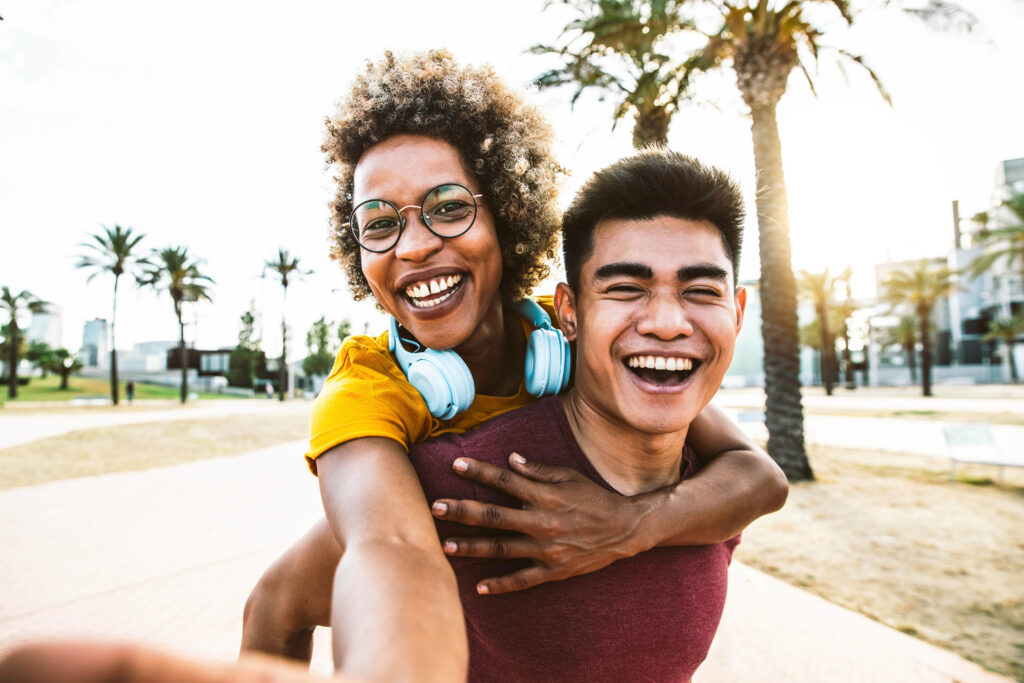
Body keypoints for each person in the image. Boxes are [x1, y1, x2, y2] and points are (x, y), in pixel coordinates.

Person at [0, 147, 779, 683]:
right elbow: (361, 565)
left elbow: (761, 478)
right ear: (571, 314)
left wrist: (632, 523)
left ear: (738, 313)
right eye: (628, 287)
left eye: (701, 290)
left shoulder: (707, 479)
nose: (668, 322)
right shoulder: (464, 482)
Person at [241, 50, 787, 681]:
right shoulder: (370, 392)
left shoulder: (587, 343)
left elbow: (760, 479)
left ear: (507, 214)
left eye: (449, 207)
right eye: (380, 224)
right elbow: (390, 551)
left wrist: (628, 525)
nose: (414, 245)